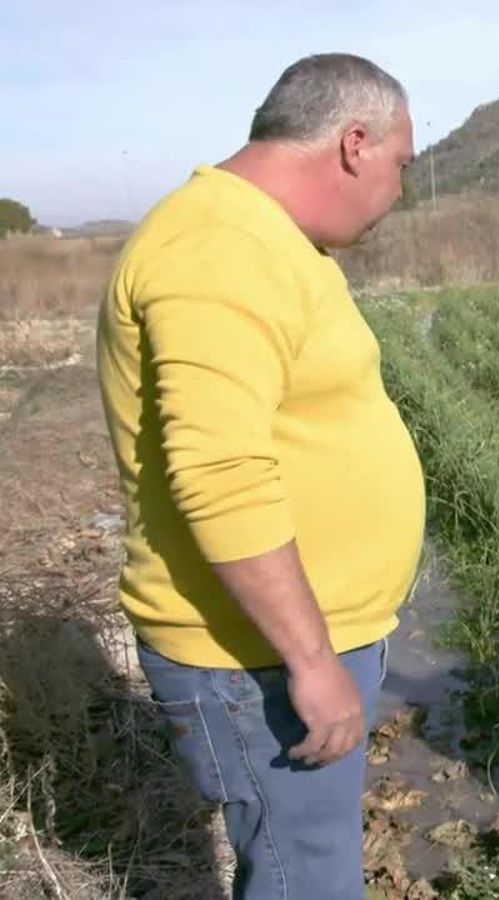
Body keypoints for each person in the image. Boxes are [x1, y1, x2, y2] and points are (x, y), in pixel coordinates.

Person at [95, 53, 423, 898]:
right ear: (355, 143)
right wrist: (312, 661)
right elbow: (220, 474)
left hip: (293, 639)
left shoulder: (270, 239)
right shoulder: (220, 246)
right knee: (302, 877)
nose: (400, 191)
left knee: (306, 861)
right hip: (256, 657)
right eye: (401, 166)